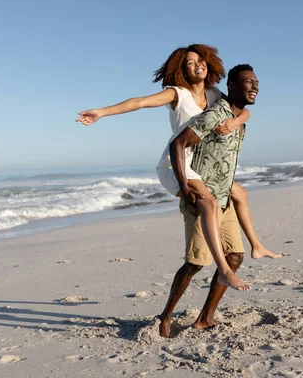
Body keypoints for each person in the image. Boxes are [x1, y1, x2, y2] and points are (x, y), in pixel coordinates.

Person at [76, 45, 280, 290]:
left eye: (201, 60)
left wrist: (235, 122)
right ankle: (224, 269)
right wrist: (101, 112)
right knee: (208, 203)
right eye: (191, 63)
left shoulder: (213, 94)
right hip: (176, 162)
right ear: (182, 70)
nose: (198, 65)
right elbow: (139, 102)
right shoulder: (177, 94)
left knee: (239, 193)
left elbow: (244, 110)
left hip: (200, 164)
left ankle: (256, 245)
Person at [159, 64, 260, 337]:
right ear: (231, 86)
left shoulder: (239, 117)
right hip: (201, 195)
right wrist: (184, 186)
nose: (255, 86)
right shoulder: (216, 113)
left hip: (223, 196)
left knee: (235, 256)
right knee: (195, 263)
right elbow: (178, 144)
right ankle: (165, 317)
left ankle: (205, 318)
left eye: (256, 82)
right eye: (248, 82)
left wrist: (240, 120)